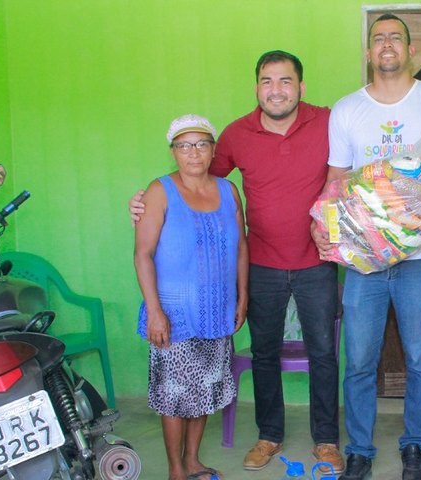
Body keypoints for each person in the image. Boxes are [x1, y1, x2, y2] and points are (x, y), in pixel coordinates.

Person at [130, 51, 344, 475]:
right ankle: (269, 435)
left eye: (285, 81)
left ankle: (326, 440)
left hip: (317, 261)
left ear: (301, 87)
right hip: (261, 263)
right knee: (264, 354)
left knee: (324, 353)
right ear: (256, 88)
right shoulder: (234, 134)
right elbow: (200, 177)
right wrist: (146, 200)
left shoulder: (329, 122)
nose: (276, 89)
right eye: (267, 81)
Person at [313, 13, 421, 480]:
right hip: (364, 259)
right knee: (358, 359)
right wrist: (322, 223)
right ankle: (359, 448)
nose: (386, 46)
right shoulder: (347, 110)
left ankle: (414, 445)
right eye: (378, 39)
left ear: (410, 50)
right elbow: (336, 182)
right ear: (368, 52)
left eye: (395, 38)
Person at [134, 114, 248, 480]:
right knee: (175, 394)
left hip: (217, 310)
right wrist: (154, 311)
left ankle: (194, 460)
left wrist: (242, 297)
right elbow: (143, 254)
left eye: (201, 144)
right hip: (173, 313)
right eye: (184, 145)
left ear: (213, 149)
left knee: (205, 388)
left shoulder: (228, 191)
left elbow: (242, 247)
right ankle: (175, 469)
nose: (193, 152)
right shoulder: (159, 190)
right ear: (174, 152)